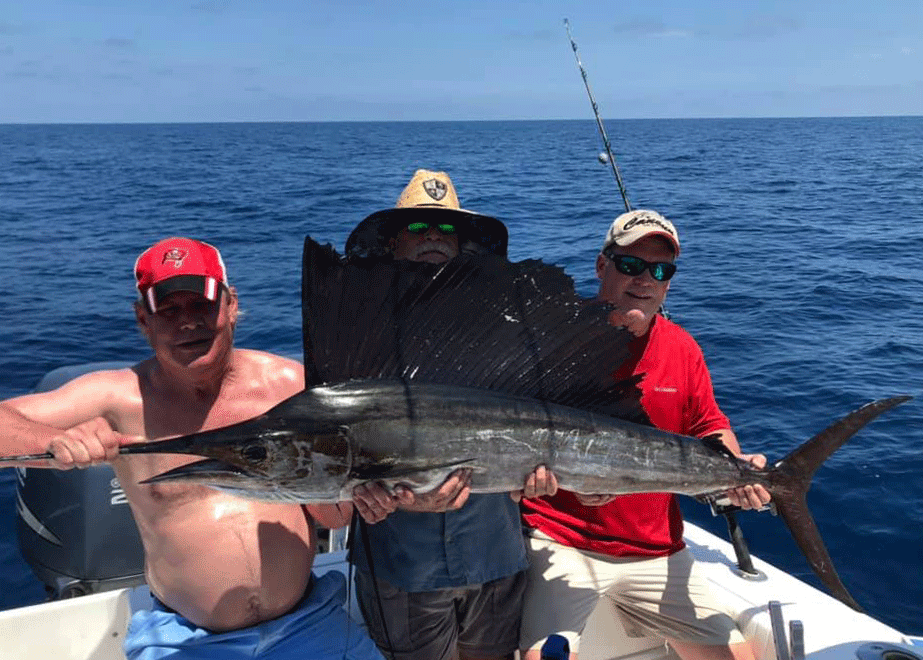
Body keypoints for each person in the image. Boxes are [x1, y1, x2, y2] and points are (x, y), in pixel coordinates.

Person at [0, 237, 381, 660]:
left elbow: (332, 511)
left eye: (202, 305)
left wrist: (354, 494)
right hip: (186, 640)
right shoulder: (115, 399)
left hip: (308, 621)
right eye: (169, 310)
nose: (188, 322)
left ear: (231, 305)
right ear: (143, 320)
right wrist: (51, 441)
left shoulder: (292, 386)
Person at [519, 210, 771, 660]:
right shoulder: (553, 341)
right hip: (561, 540)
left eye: (660, 270)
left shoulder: (682, 347)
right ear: (602, 266)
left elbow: (710, 426)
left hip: (657, 549)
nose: (646, 279)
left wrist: (737, 473)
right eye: (631, 265)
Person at [341, 169, 557, 660]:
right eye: (417, 228)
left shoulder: (504, 327)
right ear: (394, 244)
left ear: (462, 248)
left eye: (445, 230)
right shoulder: (355, 331)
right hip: (400, 563)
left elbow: (537, 429)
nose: (432, 237)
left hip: (494, 552)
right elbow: (335, 445)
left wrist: (541, 477)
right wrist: (372, 494)